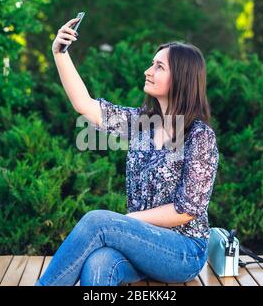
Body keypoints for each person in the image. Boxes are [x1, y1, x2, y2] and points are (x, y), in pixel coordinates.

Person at [35, 18, 219, 286]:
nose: (148, 70)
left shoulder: (199, 136)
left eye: (159, 67)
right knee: (99, 263)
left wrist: (123, 223)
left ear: (181, 77)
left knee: (98, 221)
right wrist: (59, 53)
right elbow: (85, 105)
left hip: (182, 251)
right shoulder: (142, 123)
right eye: (151, 64)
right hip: (140, 244)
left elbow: (186, 210)